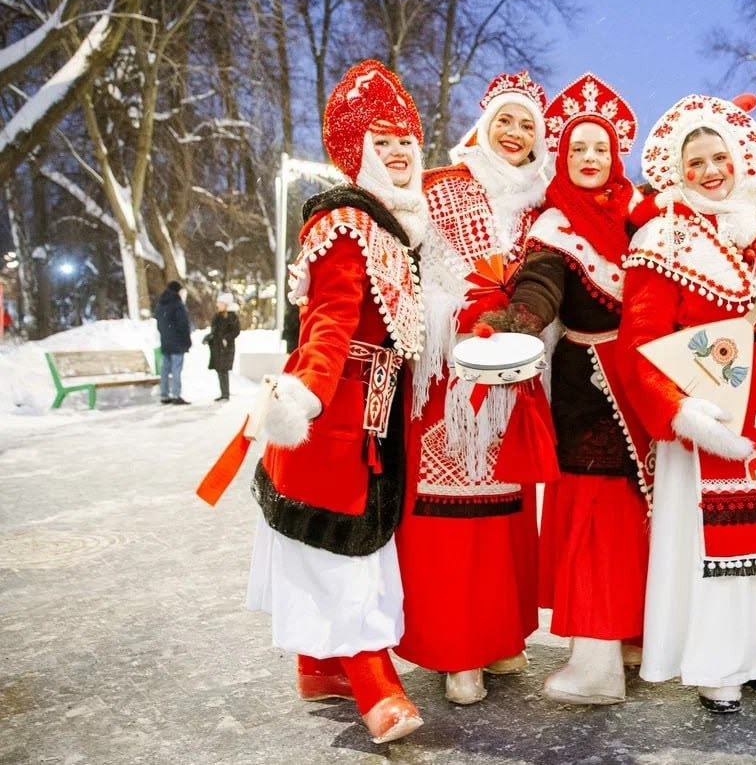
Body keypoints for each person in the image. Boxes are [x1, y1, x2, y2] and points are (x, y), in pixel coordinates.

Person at [618, 93, 756, 715]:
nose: (710, 170)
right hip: (707, 403)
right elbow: (640, 340)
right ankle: (720, 658)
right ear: (677, 171)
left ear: (742, 158)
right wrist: (676, 408)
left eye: (719, 157)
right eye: (696, 162)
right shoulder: (663, 236)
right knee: (713, 534)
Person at [247, 60, 430, 744]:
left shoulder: (396, 228)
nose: (399, 150)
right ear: (359, 152)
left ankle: (319, 667)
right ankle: (374, 683)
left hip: (374, 421)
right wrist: (310, 394)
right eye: (383, 141)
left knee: (355, 543)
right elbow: (328, 321)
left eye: (406, 138)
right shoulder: (346, 222)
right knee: (346, 554)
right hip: (337, 419)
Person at [477, 74, 650, 705]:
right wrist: (512, 324)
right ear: (562, 155)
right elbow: (540, 290)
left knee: (635, 515)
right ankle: (601, 654)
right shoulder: (555, 226)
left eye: (600, 148)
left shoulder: (643, 216)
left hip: (647, 386)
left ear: (617, 155)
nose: (589, 158)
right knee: (596, 518)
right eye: (577, 148)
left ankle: (625, 644)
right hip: (590, 390)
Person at [396, 71, 549, 705]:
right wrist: (462, 317)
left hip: (514, 375)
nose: (514, 134)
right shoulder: (440, 189)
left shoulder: (541, 205)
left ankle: (499, 634)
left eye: (527, 125)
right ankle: (456, 648)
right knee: (448, 518)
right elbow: (412, 280)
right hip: (447, 377)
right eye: (504, 121)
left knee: (505, 511)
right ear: (483, 126)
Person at [156, 280, 192, 405]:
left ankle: (164, 394)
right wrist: (186, 341)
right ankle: (176, 395)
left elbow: (159, 324)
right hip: (177, 342)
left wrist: (166, 335)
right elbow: (183, 324)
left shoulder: (161, 304)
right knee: (176, 369)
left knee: (165, 369)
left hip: (165, 341)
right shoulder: (177, 304)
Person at [205, 292, 241, 401]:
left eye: (220, 303)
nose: (217, 305)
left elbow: (236, 331)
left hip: (226, 348)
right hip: (217, 347)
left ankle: (225, 394)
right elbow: (215, 331)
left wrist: (226, 338)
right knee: (219, 370)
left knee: (223, 370)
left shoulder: (231, 316)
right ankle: (223, 393)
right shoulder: (217, 316)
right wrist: (209, 337)